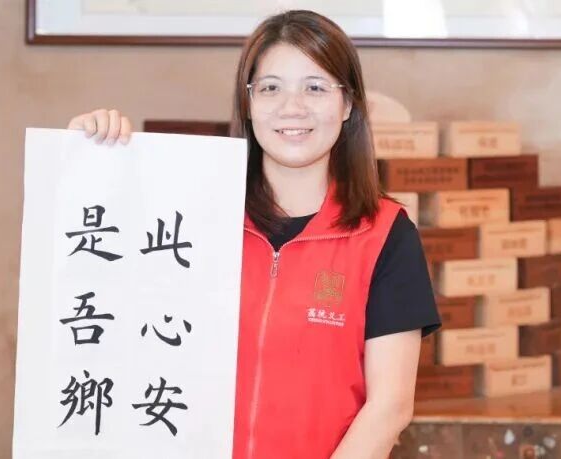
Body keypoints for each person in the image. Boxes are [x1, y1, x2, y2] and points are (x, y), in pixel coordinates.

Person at [67, 10, 440, 459]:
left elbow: (389, 408)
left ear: (347, 105)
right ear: (248, 103)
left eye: (315, 87)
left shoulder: (385, 234)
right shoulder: (191, 219)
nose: (292, 107)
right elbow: (105, 303)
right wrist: (88, 156)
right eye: (270, 88)